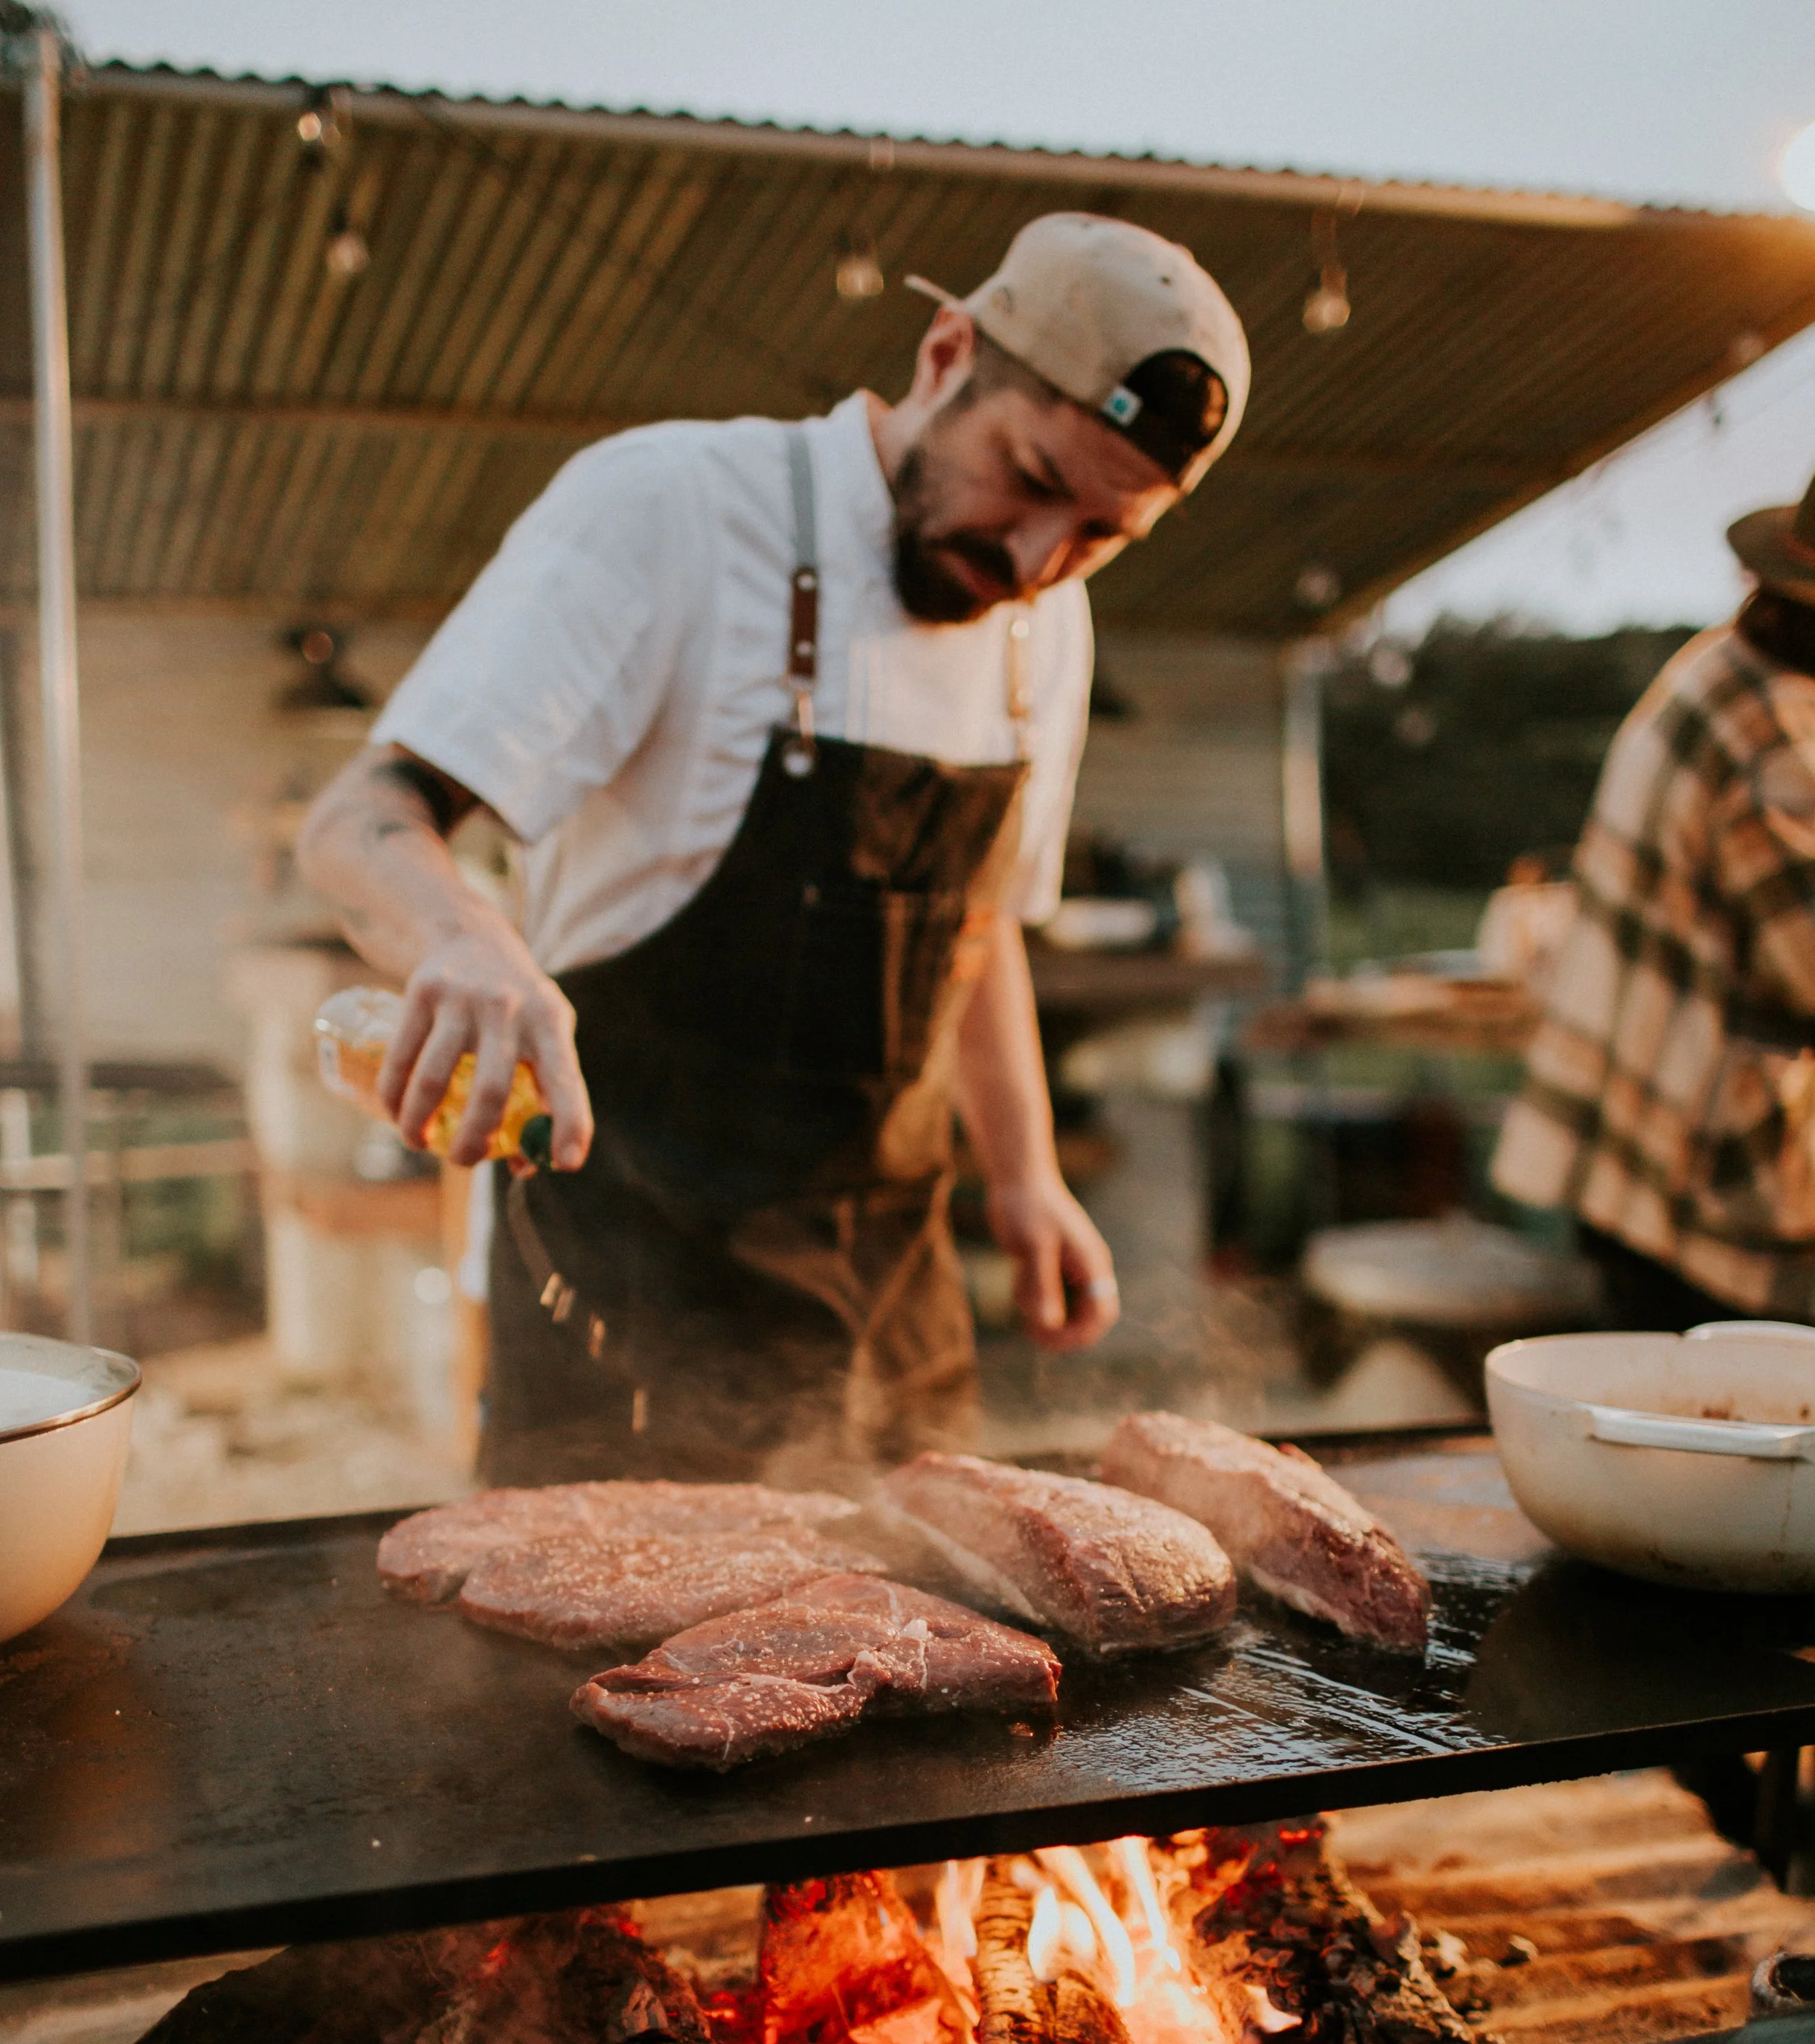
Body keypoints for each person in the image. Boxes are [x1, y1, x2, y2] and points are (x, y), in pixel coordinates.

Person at [298, 213, 1250, 1484]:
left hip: (893, 1316)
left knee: (929, 1665)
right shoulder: (669, 509)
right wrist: (470, 939)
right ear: (946, 351)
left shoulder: (1048, 627)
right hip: (633, 1305)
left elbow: (972, 930)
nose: (1034, 560)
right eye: (1026, 476)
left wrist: (1025, 1181)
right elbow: (359, 816)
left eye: (1099, 534)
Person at [1494, 468, 1815, 1332]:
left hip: (1636, 1137)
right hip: (1703, 1168)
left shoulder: (1714, 663)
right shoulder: (1780, 746)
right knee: (1718, 1435)